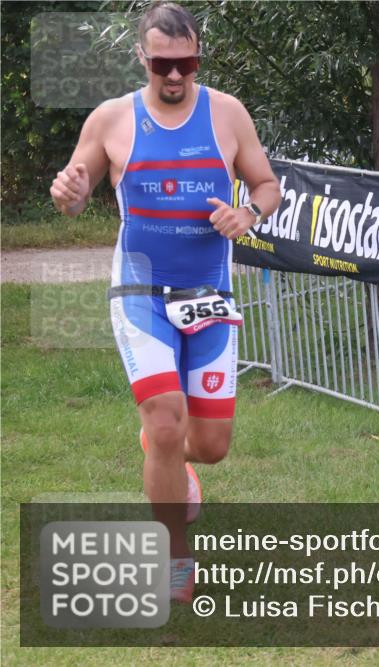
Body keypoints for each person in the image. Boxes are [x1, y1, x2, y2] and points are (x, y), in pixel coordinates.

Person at [49, 2, 280, 603]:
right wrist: (66, 193)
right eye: (161, 65)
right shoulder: (111, 120)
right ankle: (174, 560)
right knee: (164, 415)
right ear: (141, 58)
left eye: (187, 63)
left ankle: (168, 455)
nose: (175, 76)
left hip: (210, 293)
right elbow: (74, 196)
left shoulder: (227, 114)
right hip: (140, 291)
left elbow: (267, 183)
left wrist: (248, 213)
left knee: (209, 445)